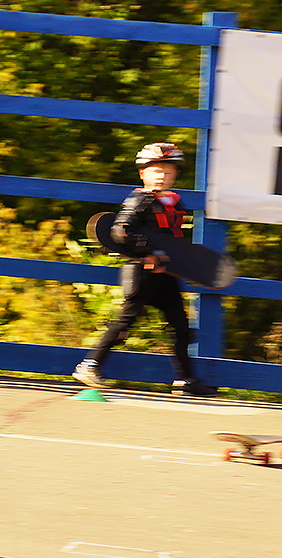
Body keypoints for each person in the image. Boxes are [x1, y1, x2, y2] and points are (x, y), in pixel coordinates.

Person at [71, 143, 218, 397]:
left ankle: (186, 380)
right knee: (125, 322)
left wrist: (187, 265)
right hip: (142, 273)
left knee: (181, 327)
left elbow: (173, 241)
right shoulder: (141, 199)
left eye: (168, 171)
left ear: (176, 175)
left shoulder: (173, 202)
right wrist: (147, 251)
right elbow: (121, 230)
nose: (161, 175)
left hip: (166, 275)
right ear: (142, 173)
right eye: (156, 170)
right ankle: (89, 365)